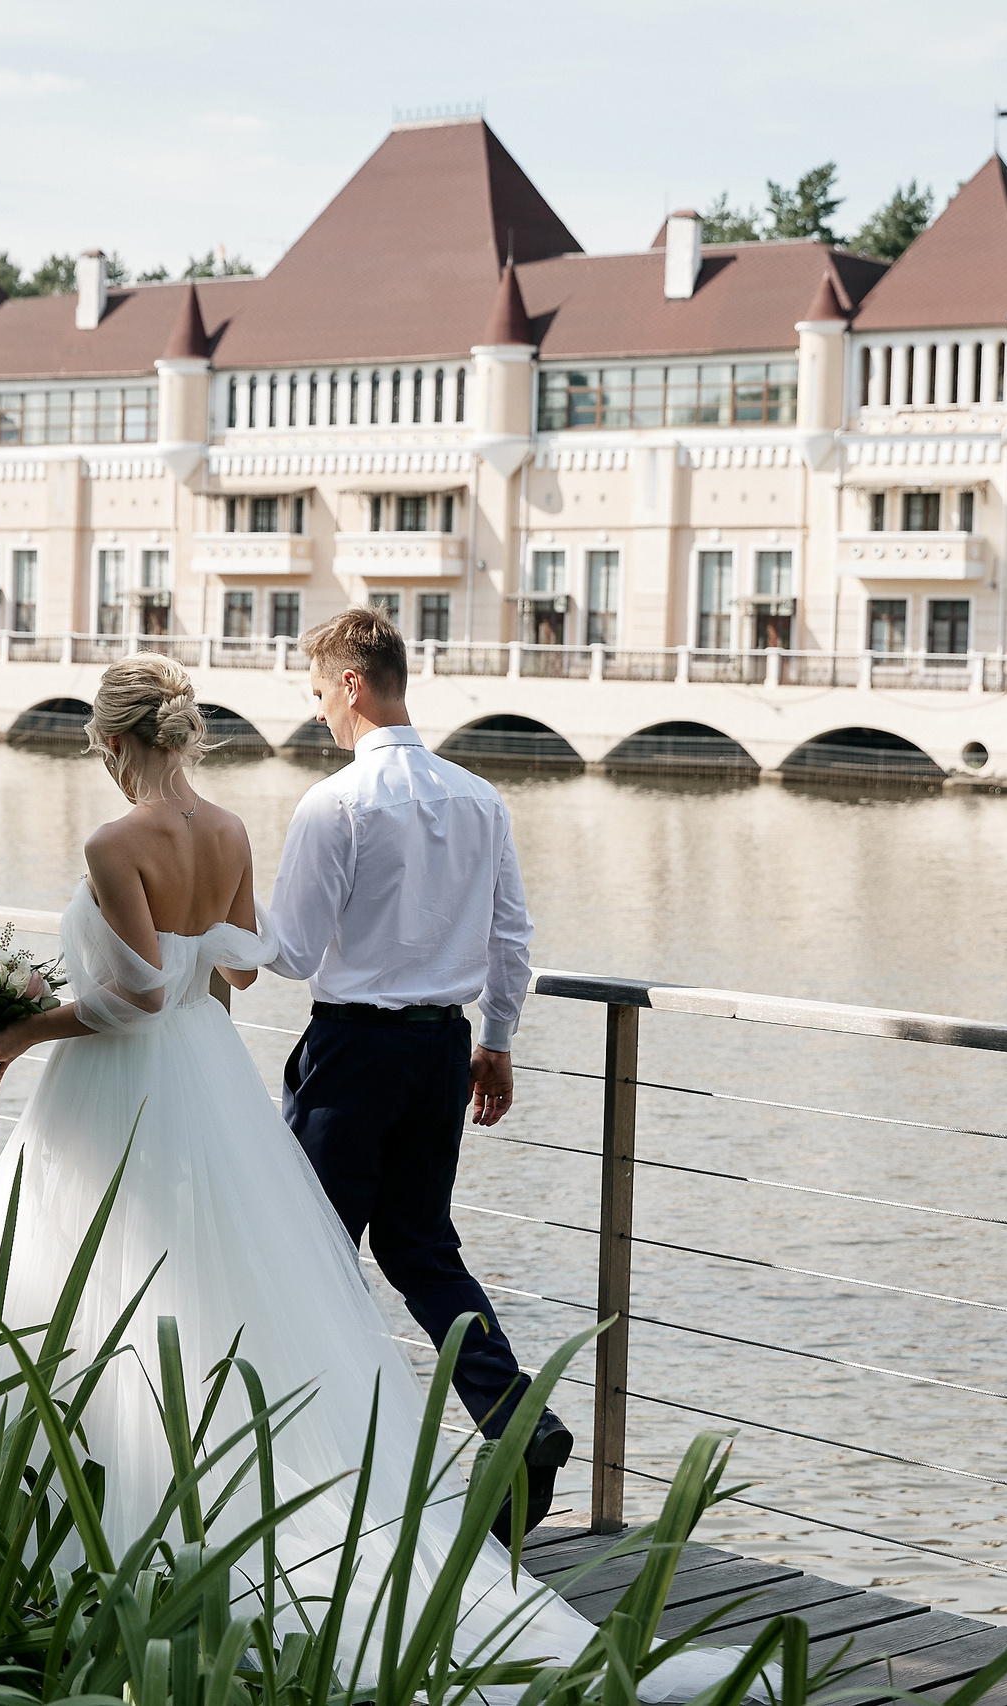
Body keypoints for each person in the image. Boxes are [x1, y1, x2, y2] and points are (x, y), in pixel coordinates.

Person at [0, 654, 750, 1700]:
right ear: (179, 733)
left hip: (126, 1083)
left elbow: (132, 996)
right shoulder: (233, 830)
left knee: (98, 1280)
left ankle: (89, 1515)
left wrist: (12, 1027)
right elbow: (238, 963)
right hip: (216, 1077)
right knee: (239, 1279)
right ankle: (254, 1476)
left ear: (108, 743)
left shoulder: (113, 841)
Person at [261, 606, 568, 1544]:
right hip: (444, 1049)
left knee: (308, 1250)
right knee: (420, 1249)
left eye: (318, 694)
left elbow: (290, 950)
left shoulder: (335, 803)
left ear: (351, 684)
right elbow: (511, 935)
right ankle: (518, 1419)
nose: (317, 715)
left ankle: (326, 1464)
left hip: (353, 1055)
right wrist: (498, 1041)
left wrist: (198, 925)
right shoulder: (478, 796)